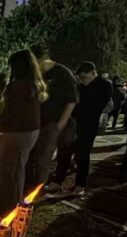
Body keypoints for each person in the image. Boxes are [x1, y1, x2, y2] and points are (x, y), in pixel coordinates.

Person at [0, 49, 48, 216]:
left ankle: (9, 211)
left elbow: (12, 112)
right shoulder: (32, 84)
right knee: (14, 170)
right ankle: (8, 206)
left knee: (10, 172)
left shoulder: (20, 86)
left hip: (17, 132)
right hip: (27, 131)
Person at [47, 61, 112, 197]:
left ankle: (80, 184)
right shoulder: (78, 85)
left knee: (82, 156)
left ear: (93, 73)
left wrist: (76, 108)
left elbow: (95, 106)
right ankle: (58, 181)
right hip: (72, 125)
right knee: (63, 154)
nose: (83, 81)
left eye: (85, 78)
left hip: (87, 126)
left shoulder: (104, 85)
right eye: (80, 78)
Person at [26, 45, 78, 189]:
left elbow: (71, 101)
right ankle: (27, 185)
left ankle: (35, 190)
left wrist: (59, 126)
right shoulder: (36, 74)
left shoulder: (63, 74)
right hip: (35, 122)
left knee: (43, 158)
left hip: (52, 124)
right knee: (31, 157)